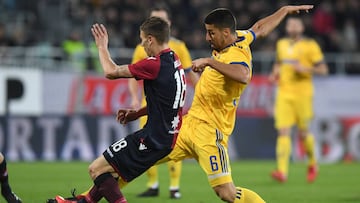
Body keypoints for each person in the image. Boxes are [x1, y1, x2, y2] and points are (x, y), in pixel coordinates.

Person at [153, 5, 313, 203]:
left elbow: (243, 75)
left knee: (226, 193)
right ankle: (109, 181)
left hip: (212, 129)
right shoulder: (241, 37)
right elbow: (260, 28)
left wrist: (210, 62)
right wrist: (284, 10)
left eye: (211, 33)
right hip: (192, 122)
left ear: (226, 32)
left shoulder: (237, 56)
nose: (206, 38)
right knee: (148, 154)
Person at [52, 16, 186, 203]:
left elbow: (111, 71)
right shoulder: (175, 60)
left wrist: (102, 47)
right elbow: (168, 103)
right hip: (166, 137)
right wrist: (137, 113)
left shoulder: (154, 63)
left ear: (150, 39)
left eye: (142, 40)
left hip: (153, 137)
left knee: (96, 168)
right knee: (111, 172)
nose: (141, 45)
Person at [128, 4, 198, 199]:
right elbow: (133, 78)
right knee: (145, 143)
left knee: (174, 143)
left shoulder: (179, 46)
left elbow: (190, 74)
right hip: (149, 106)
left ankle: (174, 187)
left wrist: (201, 96)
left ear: (169, 24)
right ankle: (153, 184)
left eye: (162, 20)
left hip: (172, 107)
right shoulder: (141, 48)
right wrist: (134, 99)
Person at [269, 15, 328, 183]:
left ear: (302, 27)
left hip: (303, 94)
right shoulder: (281, 44)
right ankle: (282, 171)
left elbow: (323, 69)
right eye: (290, 24)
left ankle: (312, 163)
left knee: (303, 133)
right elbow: (278, 63)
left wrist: (305, 69)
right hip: (284, 94)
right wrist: (274, 73)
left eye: (296, 24)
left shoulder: (311, 46)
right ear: (287, 28)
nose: (292, 26)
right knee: (283, 131)